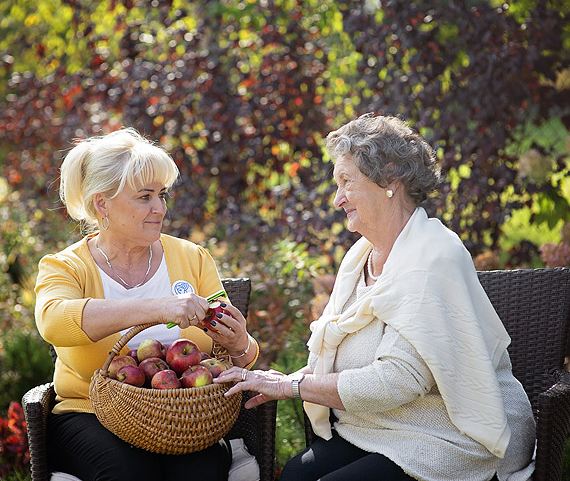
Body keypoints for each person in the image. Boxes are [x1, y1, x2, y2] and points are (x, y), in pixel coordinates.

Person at [215, 113, 536, 481]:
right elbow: (345, 364)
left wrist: (290, 386)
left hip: (448, 435)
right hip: (375, 427)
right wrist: (286, 378)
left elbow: (398, 380)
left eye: (346, 182)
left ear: (389, 178)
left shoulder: (433, 257)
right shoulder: (359, 257)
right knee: (293, 477)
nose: (337, 199)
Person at [35, 128, 259, 481]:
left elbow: (238, 354)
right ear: (101, 203)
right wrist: (157, 308)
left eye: (162, 195)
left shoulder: (192, 258)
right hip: (91, 414)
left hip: (186, 417)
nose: (160, 208)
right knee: (128, 473)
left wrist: (240, 343)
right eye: (144, 197)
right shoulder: (65, 266)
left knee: (201, 474)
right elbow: (53, 322)